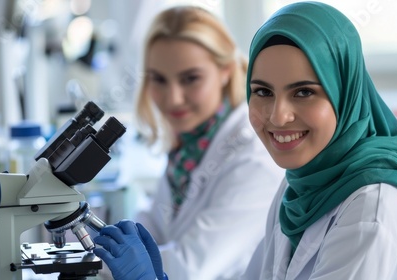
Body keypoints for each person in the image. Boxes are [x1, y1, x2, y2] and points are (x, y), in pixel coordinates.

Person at [94, 2, 397, 280]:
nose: (277, 116)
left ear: (344, 92)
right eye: (263, 91)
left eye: (304, 92)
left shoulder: (370, 210)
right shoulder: (299, 185)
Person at [94, 5, 284, 280]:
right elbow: (152, 228)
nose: (173, 99)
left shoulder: (255, 157)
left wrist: (91, 264)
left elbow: (188, 267)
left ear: (226, 71)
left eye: (190, 79)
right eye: (158, 79)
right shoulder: (191, 146)